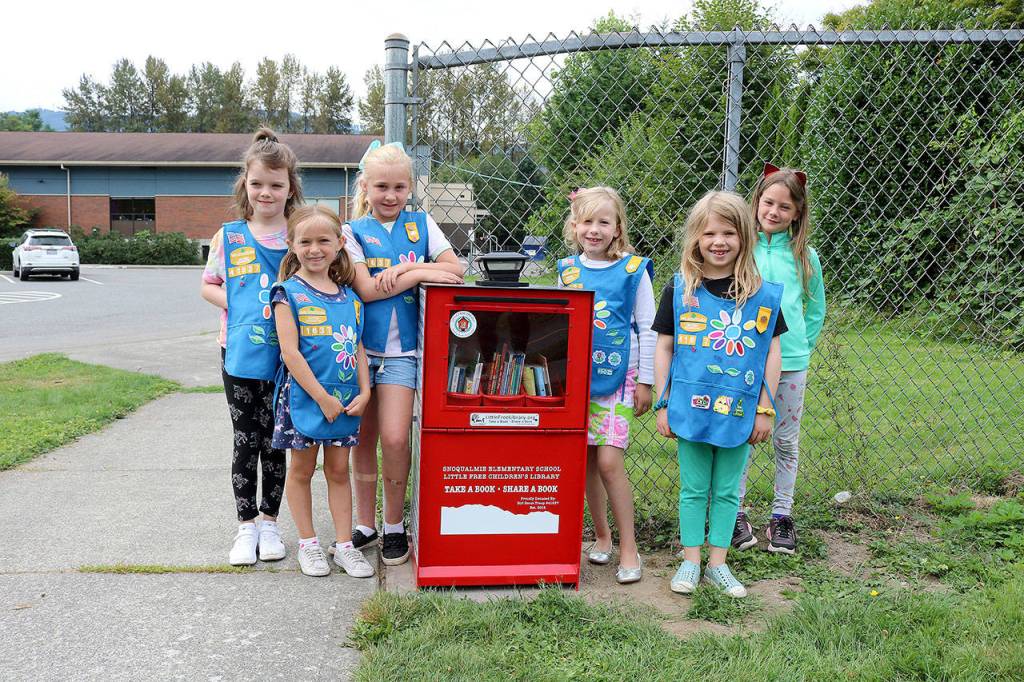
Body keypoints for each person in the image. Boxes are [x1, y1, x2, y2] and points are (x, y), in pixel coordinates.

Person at [334, 140, 464, 565]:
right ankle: (366, 524)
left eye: (400, 187)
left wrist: (408, 269)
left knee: (394, 437)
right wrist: (420, 274)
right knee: (363, 438)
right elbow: (369, 289)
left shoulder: (421, 224)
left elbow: (456, 271)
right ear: (366, 188)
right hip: (359, 351)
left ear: (410, 188)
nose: (391, 196)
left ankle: (394, 524)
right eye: (382, 187)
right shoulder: (351, 234)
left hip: (403, 353)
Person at [652, 191, 786, 598]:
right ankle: (691, 561)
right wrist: (663, 401)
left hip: (740, 410)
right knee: (693, 488)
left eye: (729, 232)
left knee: (727, 490)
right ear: (695, 238)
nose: (719, 241)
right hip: (689, 410)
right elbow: (664, 347)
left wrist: (765, 408)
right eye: (709, 232)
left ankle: (718, 564)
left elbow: (771, 354)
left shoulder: (761, 296)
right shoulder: (680, 291)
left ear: (744, 236)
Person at [200, 128, 302, 566]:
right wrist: (242, 305)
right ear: (245, 183)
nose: (267, 192)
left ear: (289, 188)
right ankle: (245, 528)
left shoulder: (299, 235)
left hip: (289, 356)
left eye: (276, 185)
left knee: (276, 441)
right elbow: (208, 287)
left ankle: (270, 523)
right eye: (258, 183)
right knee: (246, 440)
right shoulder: (230, 236)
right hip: (238, 351)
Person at [556, 186, 655, 584]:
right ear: (574, 225)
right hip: (576, 381)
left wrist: (646, 380)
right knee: (586, 462)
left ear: (618, 228)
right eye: (586, 221)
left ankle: (629, 547)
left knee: (610, 461)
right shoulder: (568, 271)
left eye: (604, 222)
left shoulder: (634, 271)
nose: (594, 230)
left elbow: (648, 328)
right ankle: (601, 536)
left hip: (620, 380)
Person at [271, 205, 373, 578]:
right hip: (306, 399)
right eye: (306, 241)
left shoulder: (350, 297)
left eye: (323, 240)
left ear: (340, 243)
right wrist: (321, 398)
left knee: (338, 471)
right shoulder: (288, 293)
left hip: (346, 401)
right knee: (301, 469)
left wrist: (366, 390)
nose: (315, 249)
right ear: (291, 244)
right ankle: (309, 545)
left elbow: (358, 347)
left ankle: (344, 546)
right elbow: (290, 352)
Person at [732, 163, 826, 555]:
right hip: (742, 361)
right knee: (741, 437)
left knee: (785, 440)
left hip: (790, 365)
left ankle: (781, 516)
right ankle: (732, 513)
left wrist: (801, 346)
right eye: (768, 202)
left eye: (784, 207)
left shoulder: (805, 258)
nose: (773, 212)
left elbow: (815, 308)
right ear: (756, 203)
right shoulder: (740, 248)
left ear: (797, 213)